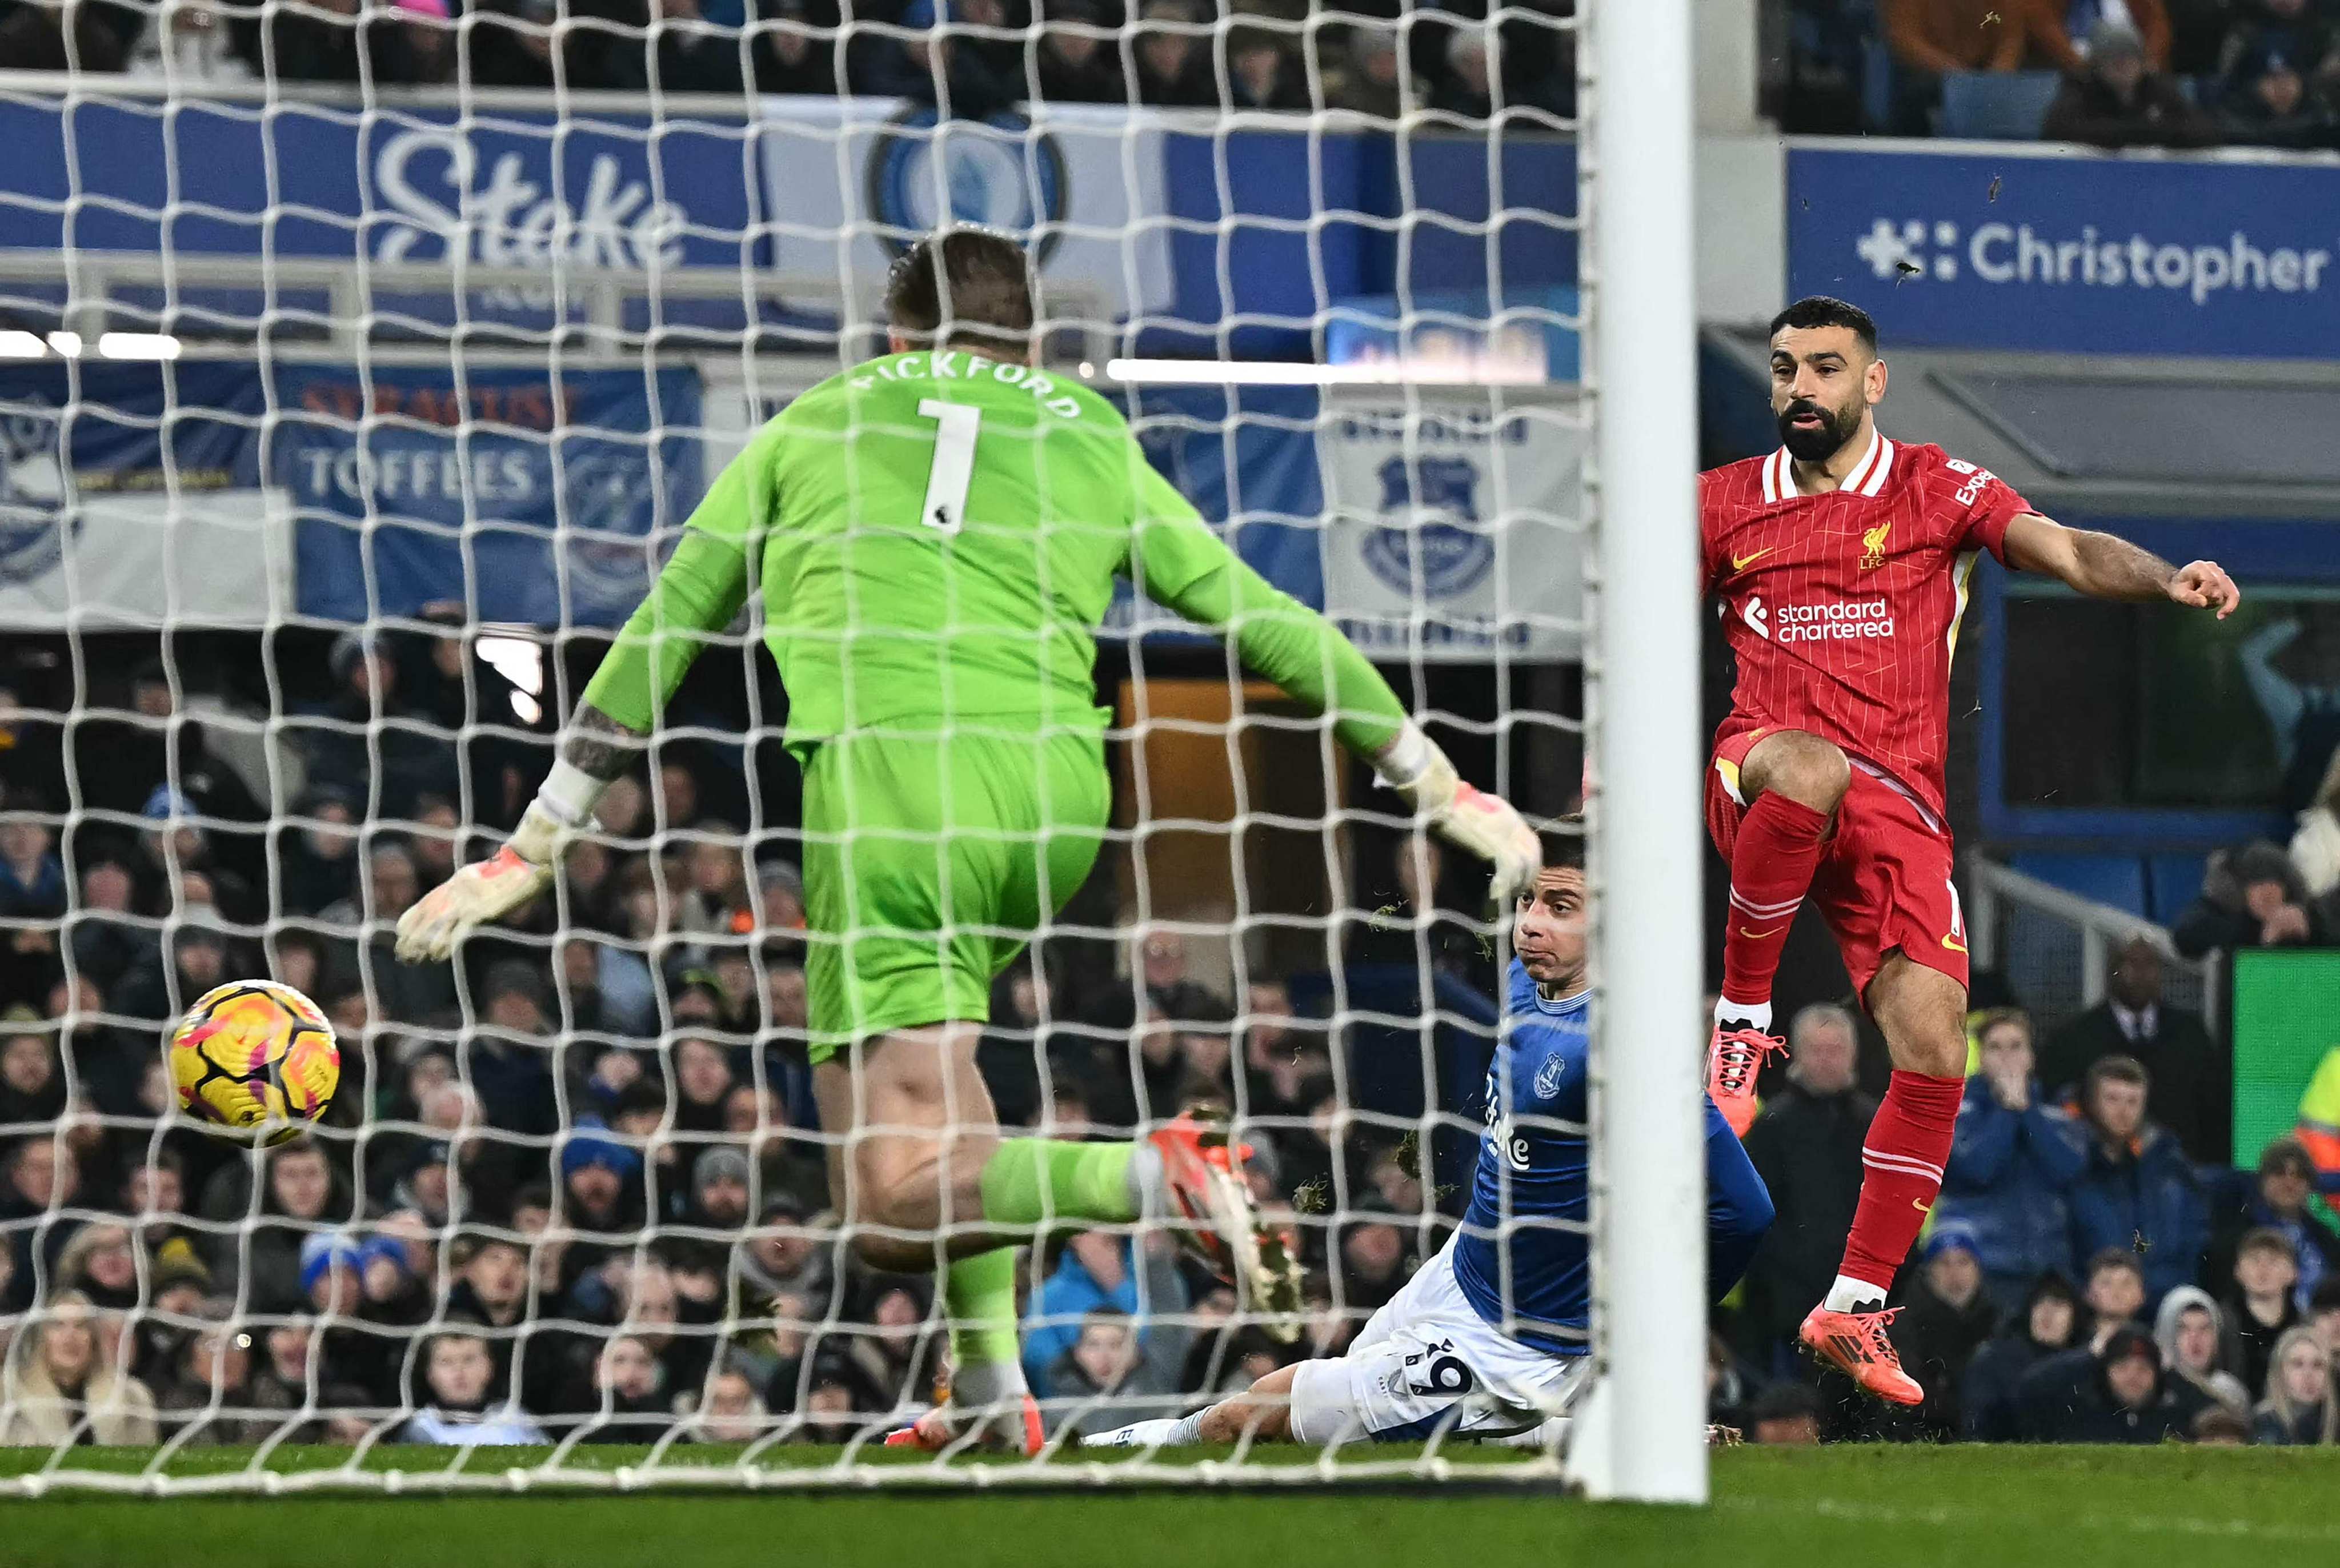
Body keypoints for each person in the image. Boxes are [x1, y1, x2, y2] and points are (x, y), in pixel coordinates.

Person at [395, 227, 1541, 1454]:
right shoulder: (1088, 433)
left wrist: (536, 839)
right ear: (1030, 341)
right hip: (1057, 795)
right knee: (927, 1092)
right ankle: (990, 1384)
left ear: (893, 336)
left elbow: (665, 627)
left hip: (894, 783)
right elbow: (1258, 615)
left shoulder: (811, 424)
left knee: (887, 1203)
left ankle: (1152, 1176)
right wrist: (1432, 777)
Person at [1697, 295, 2238, 1406]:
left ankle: (1849, 1304)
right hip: (1764, 764)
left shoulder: (1937, 488)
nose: (1800, 388)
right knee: (1807, 772)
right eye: (1785, 369)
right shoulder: (1716, 506)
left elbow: (2071, 551)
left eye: (1824, 368)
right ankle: (1742, 1019)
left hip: (1899, 805)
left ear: (1872, 382)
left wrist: (2161, 577)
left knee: (1937, 1045)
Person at [1082, 822, 1776, 1450]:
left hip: (1515, 1345)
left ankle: (1099, 1457)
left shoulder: (1619, 1045)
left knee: (1253, 1419)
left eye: (1560, 910)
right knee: (1322, 1405)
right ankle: (1550, 1432)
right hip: (1458, 1270)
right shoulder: (1528, 977)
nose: (1531, 925)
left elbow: (1745, 1210)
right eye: (1530, 902)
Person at [1737, 1004, 1874, 1374]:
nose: (1828, 1060)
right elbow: (1756, 1214)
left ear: (1853, 1053)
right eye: (1818, 1050)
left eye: (1836, 1049)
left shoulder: (1873, 1122)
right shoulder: (1772, 1125)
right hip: (1788, 1307)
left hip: (1863, 1306)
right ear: (1798, 1054)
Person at [1938, 1008, 2086, 1314]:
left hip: (2049, 1271)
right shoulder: (1957, 1118)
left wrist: (2027, 1111)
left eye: (2016, 1046)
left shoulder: (2058, 1120)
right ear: (1981, 1058)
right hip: (1986, 1271)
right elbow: (1979, 1169)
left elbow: (2068, 1170)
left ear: (2031, 1057)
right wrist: (2008, 1111)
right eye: (1996, 1047)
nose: (2007, 1056)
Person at [2041, 936, 2225, 1163]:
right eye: (2130, 964)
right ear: (2112, 970)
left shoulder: (2190, 1034)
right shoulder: (2074, 1038)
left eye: (2150, 965)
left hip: (2177, 1172)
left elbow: (2214, 1113)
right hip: (2100, 1174)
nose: (2140, 974)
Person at [2068, 1056, 2206, 1304]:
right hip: (2092, 1306)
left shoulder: (2168, 1167)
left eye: (2133, 1101)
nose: (2123, 1111)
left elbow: (2190, 1243)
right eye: (2112, 1099)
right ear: (2091, 1101)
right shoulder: (2071, 1165)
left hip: (2160, 1302)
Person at [2204, 1136, 2340, 1308]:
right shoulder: (2237, 1237)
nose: (2290, 1182)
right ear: (2262, 1181)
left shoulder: (2325, 1239)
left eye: (2300, 1175)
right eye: (2279, 1172)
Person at [2014, 1322, 2201, 1443]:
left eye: (2144, 1369)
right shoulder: (2080, 1413)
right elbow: (2029, 1387)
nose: (2132, 1376)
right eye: (2122, 1367)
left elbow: (2217, 1410)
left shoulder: (2173, 1418)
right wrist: (2088, 1357)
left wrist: (2174, 1374)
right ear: (2105, 1372)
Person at [2042, 19, 2218, 146]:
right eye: (2112, 58)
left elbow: (2202, 130)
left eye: (2130, 56)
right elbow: (2059, 128)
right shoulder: (2081, 87)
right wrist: (2141, 131)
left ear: (2142, 62)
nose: (2123, 64)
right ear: (2097, 64)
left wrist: (2154, 134)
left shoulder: (2158, 87)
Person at [1961, 1270, 2081, 1439]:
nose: (2047, 1313)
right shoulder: (1994, 1359)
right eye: (2039, 1303)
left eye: (2058, 1304)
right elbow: (1977, 1427)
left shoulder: (2085, 1364)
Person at [2221, 1226, 2305, 1397]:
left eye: (2273, 1260)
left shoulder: (2306, 1326)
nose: (2263, 1268)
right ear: (2238, 1272)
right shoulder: (2220, 1323)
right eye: (2254, 1259)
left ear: (2293, 1273)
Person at [2153, 1285, 2253, 1418]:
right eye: (2183, 1329)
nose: (2195, 1338)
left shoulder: (2233, 1392)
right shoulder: (2153, 1391)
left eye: (2205, 1328)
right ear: (2167, 1335)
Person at [2251, 1324, 2338, 1444]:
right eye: (2297, 1364)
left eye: (2318, 1365)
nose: (2308, 1374)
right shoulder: (2262, 1425)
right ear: (2279, 1373)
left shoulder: (2336, 1425)